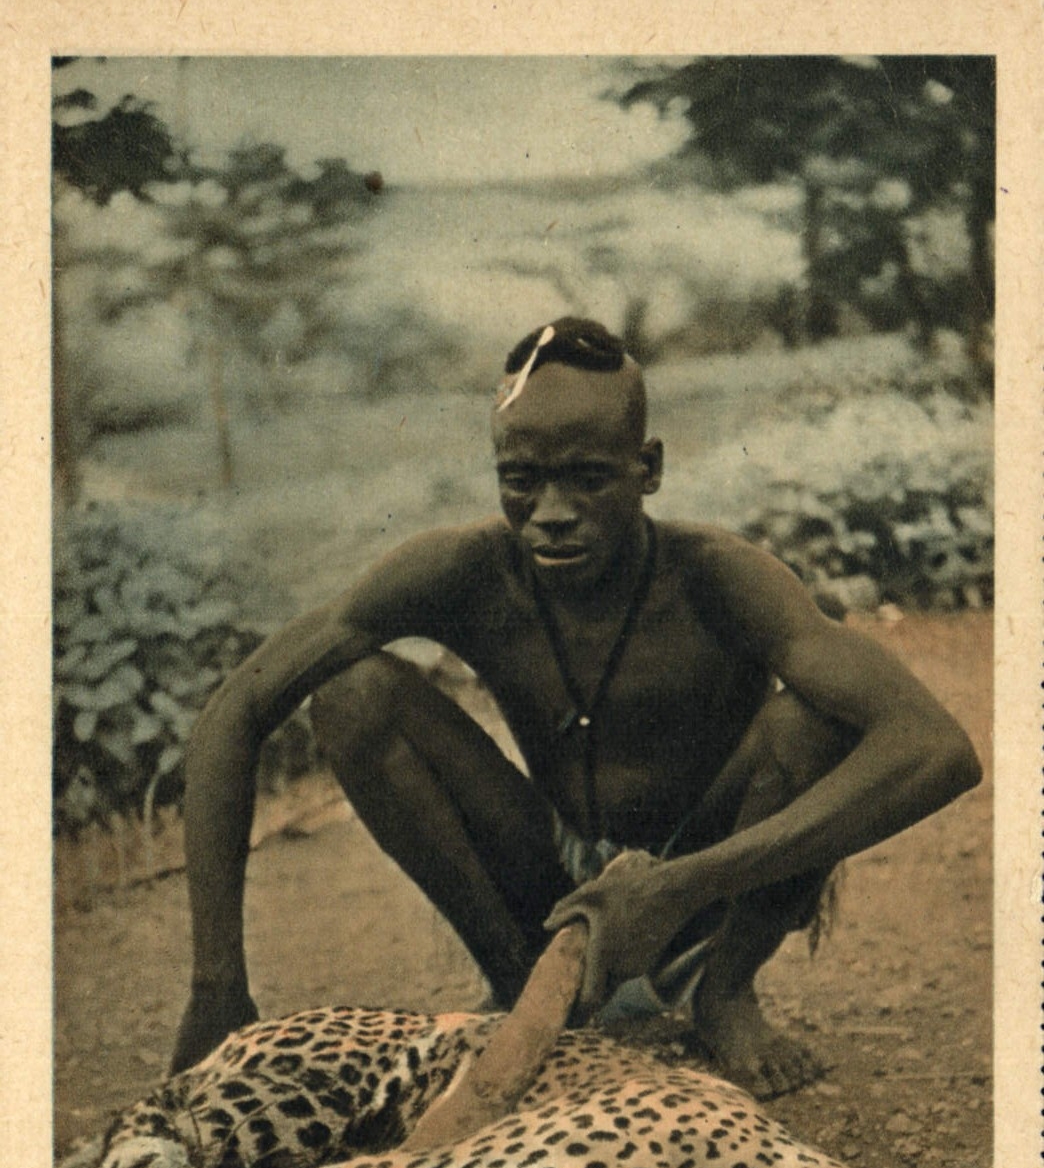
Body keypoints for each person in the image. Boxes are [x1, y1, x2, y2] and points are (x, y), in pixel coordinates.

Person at [171, 317, 981, 1096]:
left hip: (708, 880)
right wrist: (216, 985)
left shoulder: (719, 576)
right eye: (522, 480)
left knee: (811, 718)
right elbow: (234, 710)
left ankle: (725, 994)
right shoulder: (463, 571)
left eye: (588, 477)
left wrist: (676, 887)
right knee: (352, 694)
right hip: (550, 878)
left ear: (649, 468)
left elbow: (934, 747)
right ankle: (521, 983)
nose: (551, 511)